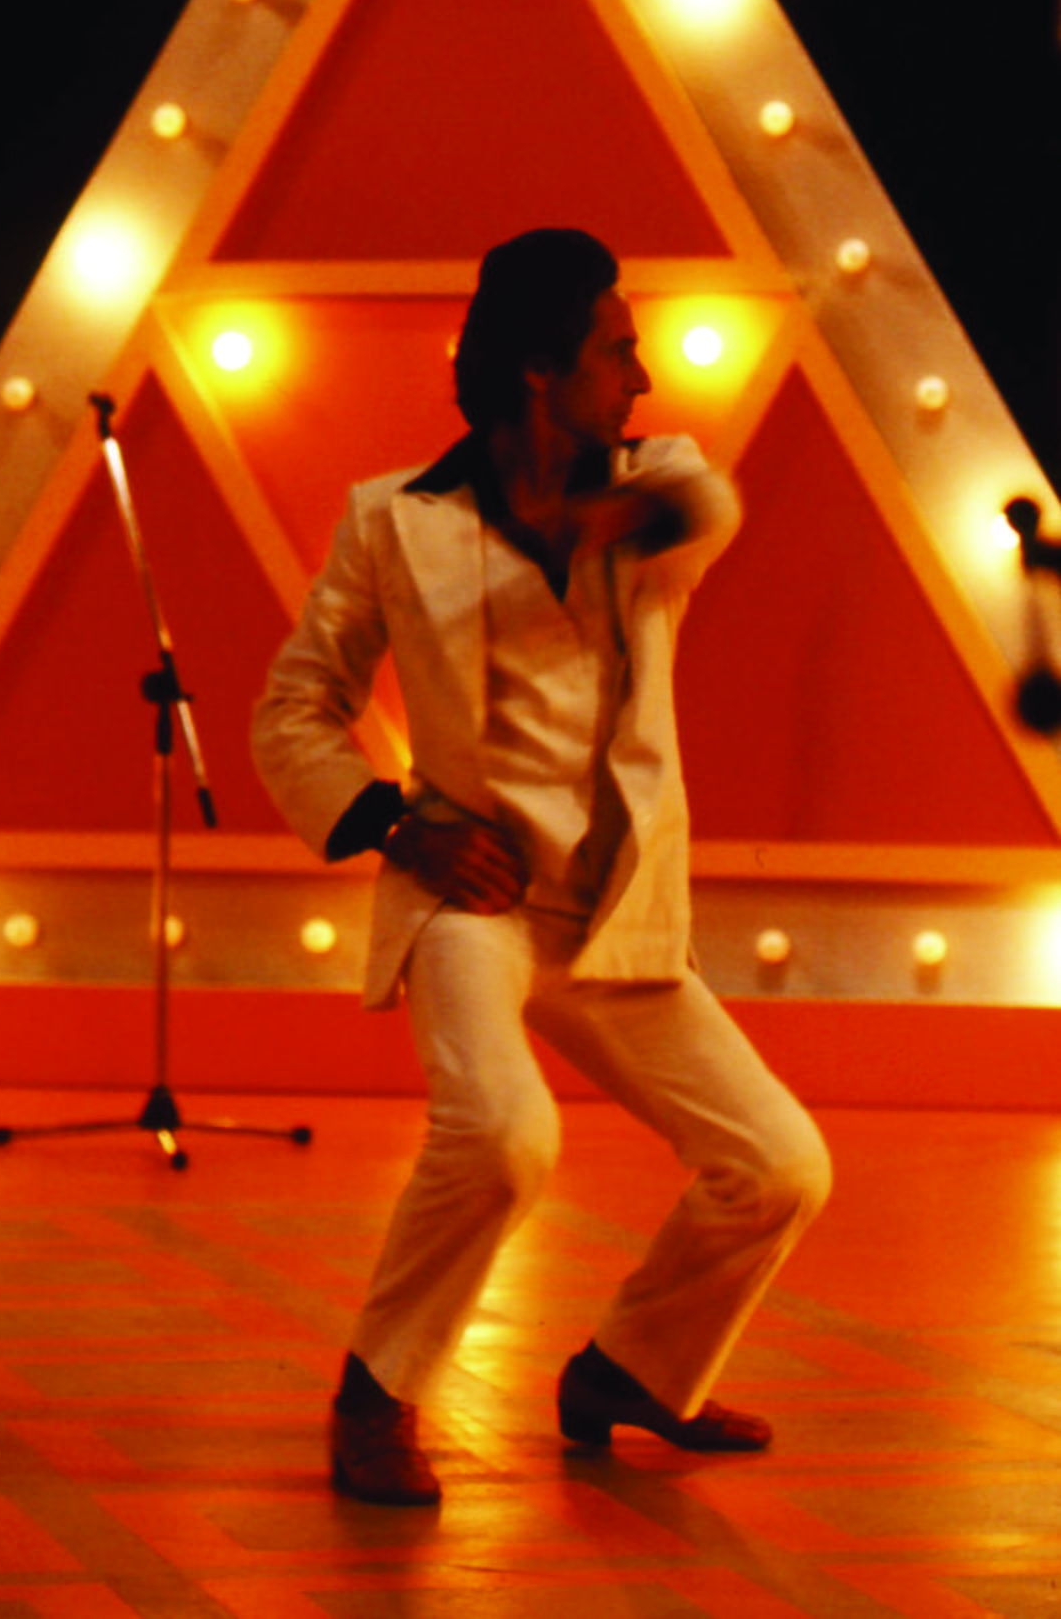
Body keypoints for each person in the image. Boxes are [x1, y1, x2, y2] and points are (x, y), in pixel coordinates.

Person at [252, 229, 830, 1506]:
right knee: (504, 1133)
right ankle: (374, 1395)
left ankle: (631, 1368)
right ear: (536, 369)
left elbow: (699, 509)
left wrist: (583, 511)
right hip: (470, 894)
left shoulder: (658, 481)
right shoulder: (392, 518)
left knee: (779, 1164)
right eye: (616, 352)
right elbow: (293, 706)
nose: (641, 377)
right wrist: (394, 824)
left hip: (612, 907)